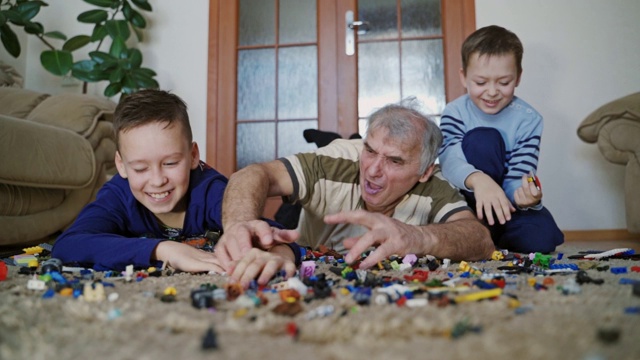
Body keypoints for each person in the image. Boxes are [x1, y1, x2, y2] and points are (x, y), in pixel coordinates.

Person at [214, 98, 495, 277]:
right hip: (311, 215)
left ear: (423, 172)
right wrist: (239, 224)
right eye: (370, 151)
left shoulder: (435, 183)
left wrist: (417, 237)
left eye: (394, 161)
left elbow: (479, 239)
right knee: (286, 223)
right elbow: (253, 174)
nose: (373, 170)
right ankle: (336, 139)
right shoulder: (336, 161)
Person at [52, 89, 299, 282]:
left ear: (193, 156)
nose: (158, 180)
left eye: (170, 163)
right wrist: (162, 250)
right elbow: (69, 244)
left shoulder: (211, 191)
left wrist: (279, 254)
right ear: (121, 165)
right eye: (140, 168)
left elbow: (270, 235)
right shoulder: (117, 195)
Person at [438, 25, 564, 253]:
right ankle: (475, 229)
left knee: (542, 238)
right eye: (481, 82)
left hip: (505, 207)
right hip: (464, 203)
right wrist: (479, 180)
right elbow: (449, 162)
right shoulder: (454, 112)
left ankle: (490, 236)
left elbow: (519, 175)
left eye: (503, 82)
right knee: (484, 139)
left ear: (518, 78)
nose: (492, 91)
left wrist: (526, 197)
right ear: (463, 77)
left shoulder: (529, 120)